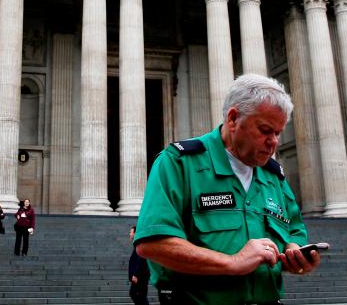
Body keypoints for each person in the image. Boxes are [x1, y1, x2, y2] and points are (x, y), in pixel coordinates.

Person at [134, 74, 318, 305]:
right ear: (233, 119)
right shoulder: (179, 163)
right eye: (265, 130)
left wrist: (295, 251)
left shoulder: (274, 177)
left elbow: (294, 230)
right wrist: (232, 261)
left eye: (278, 133)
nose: (274, 142)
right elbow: (152, 243)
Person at [128, 226, 150, 305]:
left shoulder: (139, 245)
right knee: (140, 295)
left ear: (135, 234)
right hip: (141, 276)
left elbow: (141, 260)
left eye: (131, 232)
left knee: (136, 294)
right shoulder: (138, 244)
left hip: (140, 276)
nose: (129, 234)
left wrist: (136, 274)